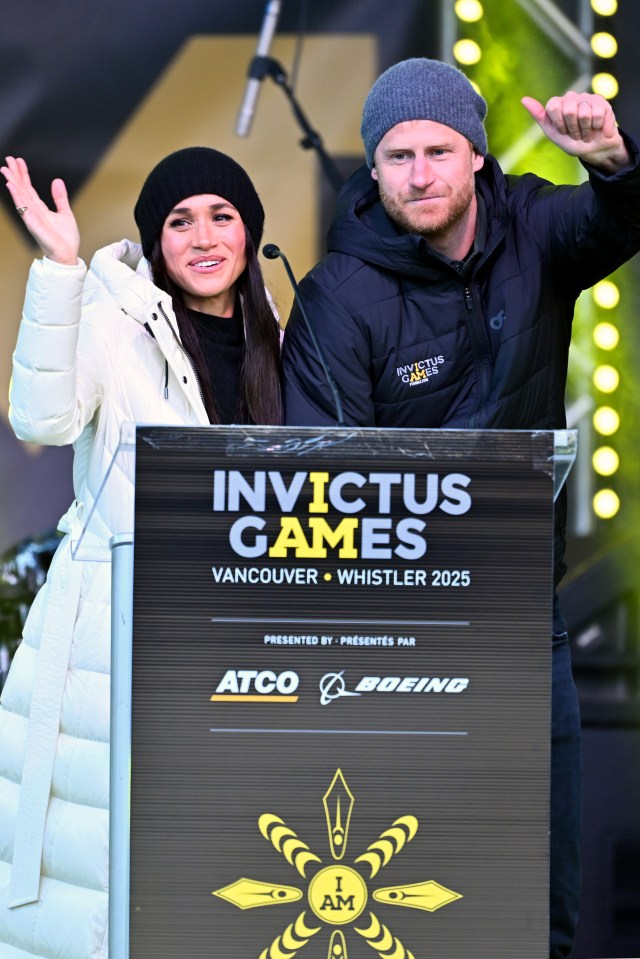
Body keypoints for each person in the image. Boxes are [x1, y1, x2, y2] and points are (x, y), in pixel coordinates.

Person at [281, 58, 640, 959]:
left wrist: (613, 161)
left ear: (476, 155)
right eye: (397, 155)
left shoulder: (535, 225)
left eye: (439, 150)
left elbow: (623, 217)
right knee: (411, 893)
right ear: (373, 169)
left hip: (526, 616)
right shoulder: (336, 297)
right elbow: (333, 495)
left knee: (539, 884)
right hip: (401, 631)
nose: (420, 174)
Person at [0, 146, 281, 958]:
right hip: (110, 645)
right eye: (179, 220)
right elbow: (41, 418)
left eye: (222, 216)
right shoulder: (112, 317)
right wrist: (59, 269)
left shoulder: (281, 341)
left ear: (249, 231)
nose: (202, 236)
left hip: (230, 646)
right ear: (155, 242)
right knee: (94, 895)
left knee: (211, 887)